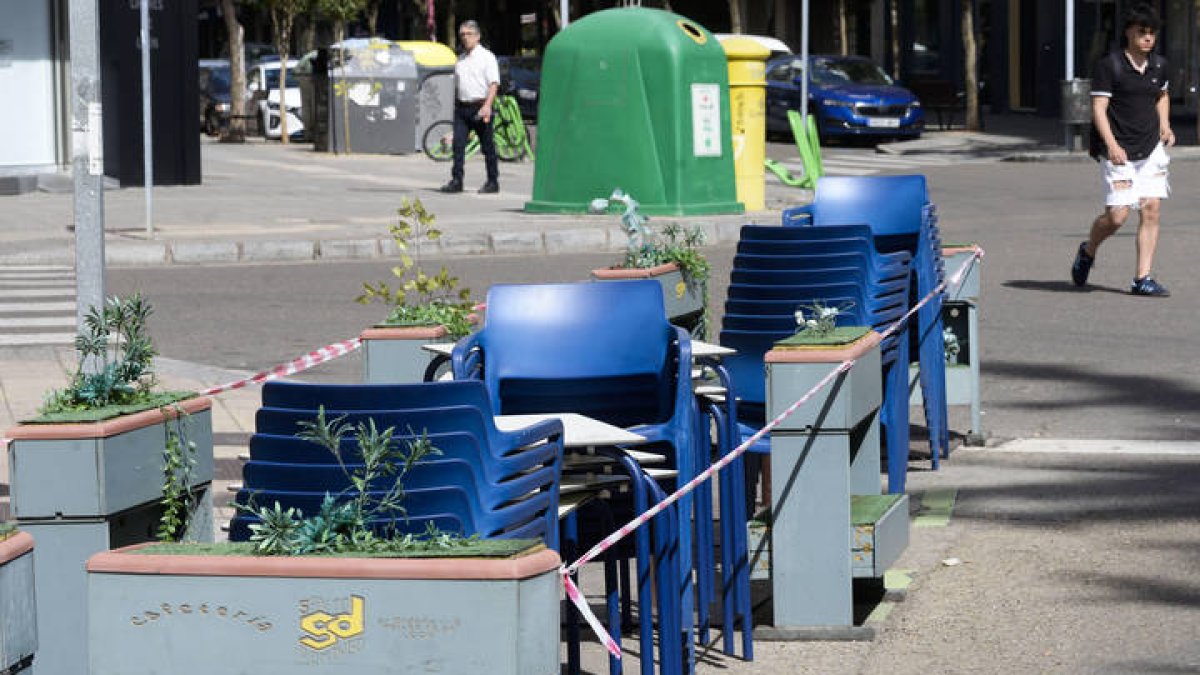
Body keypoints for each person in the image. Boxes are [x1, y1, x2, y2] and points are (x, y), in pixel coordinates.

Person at [1073, 2, 1174, 296]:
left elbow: (1162, 95)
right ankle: (1088, 250)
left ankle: (1142, 278)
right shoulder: (1110, 66)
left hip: (1150, 147)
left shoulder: (1159, 65)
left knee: (1151, 209)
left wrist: (1165, 125)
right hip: (1119, 150)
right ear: (1129, 32)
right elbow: (1099, 108)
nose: (1148, 38)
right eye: (1142, 32)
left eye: (1152, 33)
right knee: (1117, 217)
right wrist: (1112, 145)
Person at [440, 20, 500, 194]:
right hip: (462, 108)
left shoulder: (487, 57)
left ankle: (492, 181)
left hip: (480, 106)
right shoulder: (460, 60)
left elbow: (494, 83)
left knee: (487, 146)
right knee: (458, 145)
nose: (465, 38)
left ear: (477, 36)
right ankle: (457, 180)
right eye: (462, 34)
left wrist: (488, 105)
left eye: (469, 34)